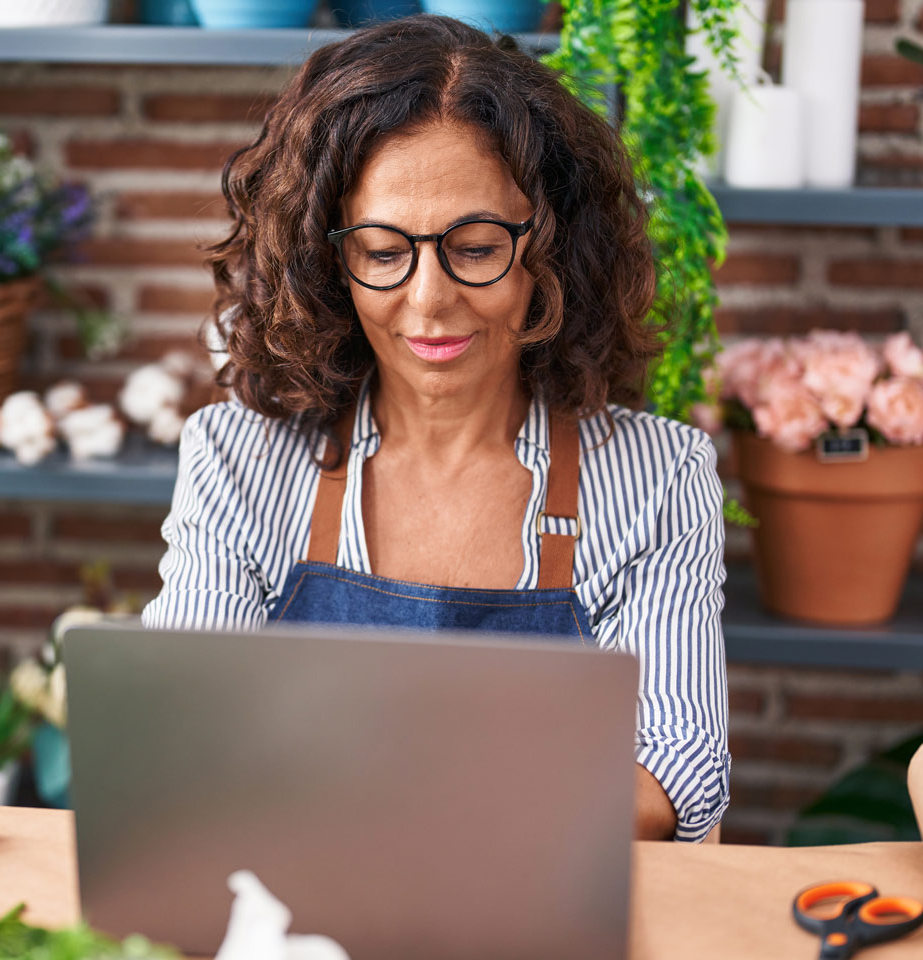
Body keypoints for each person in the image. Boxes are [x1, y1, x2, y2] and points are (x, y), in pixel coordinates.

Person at [140, 14, 728, 843]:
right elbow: (179, 733)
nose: (429, 301)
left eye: (478, 247)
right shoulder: (239, 460)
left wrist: (372, 800)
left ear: (553, 251)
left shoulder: (658, 478)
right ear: (325, 258)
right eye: (383, 252)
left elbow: (679, 768)